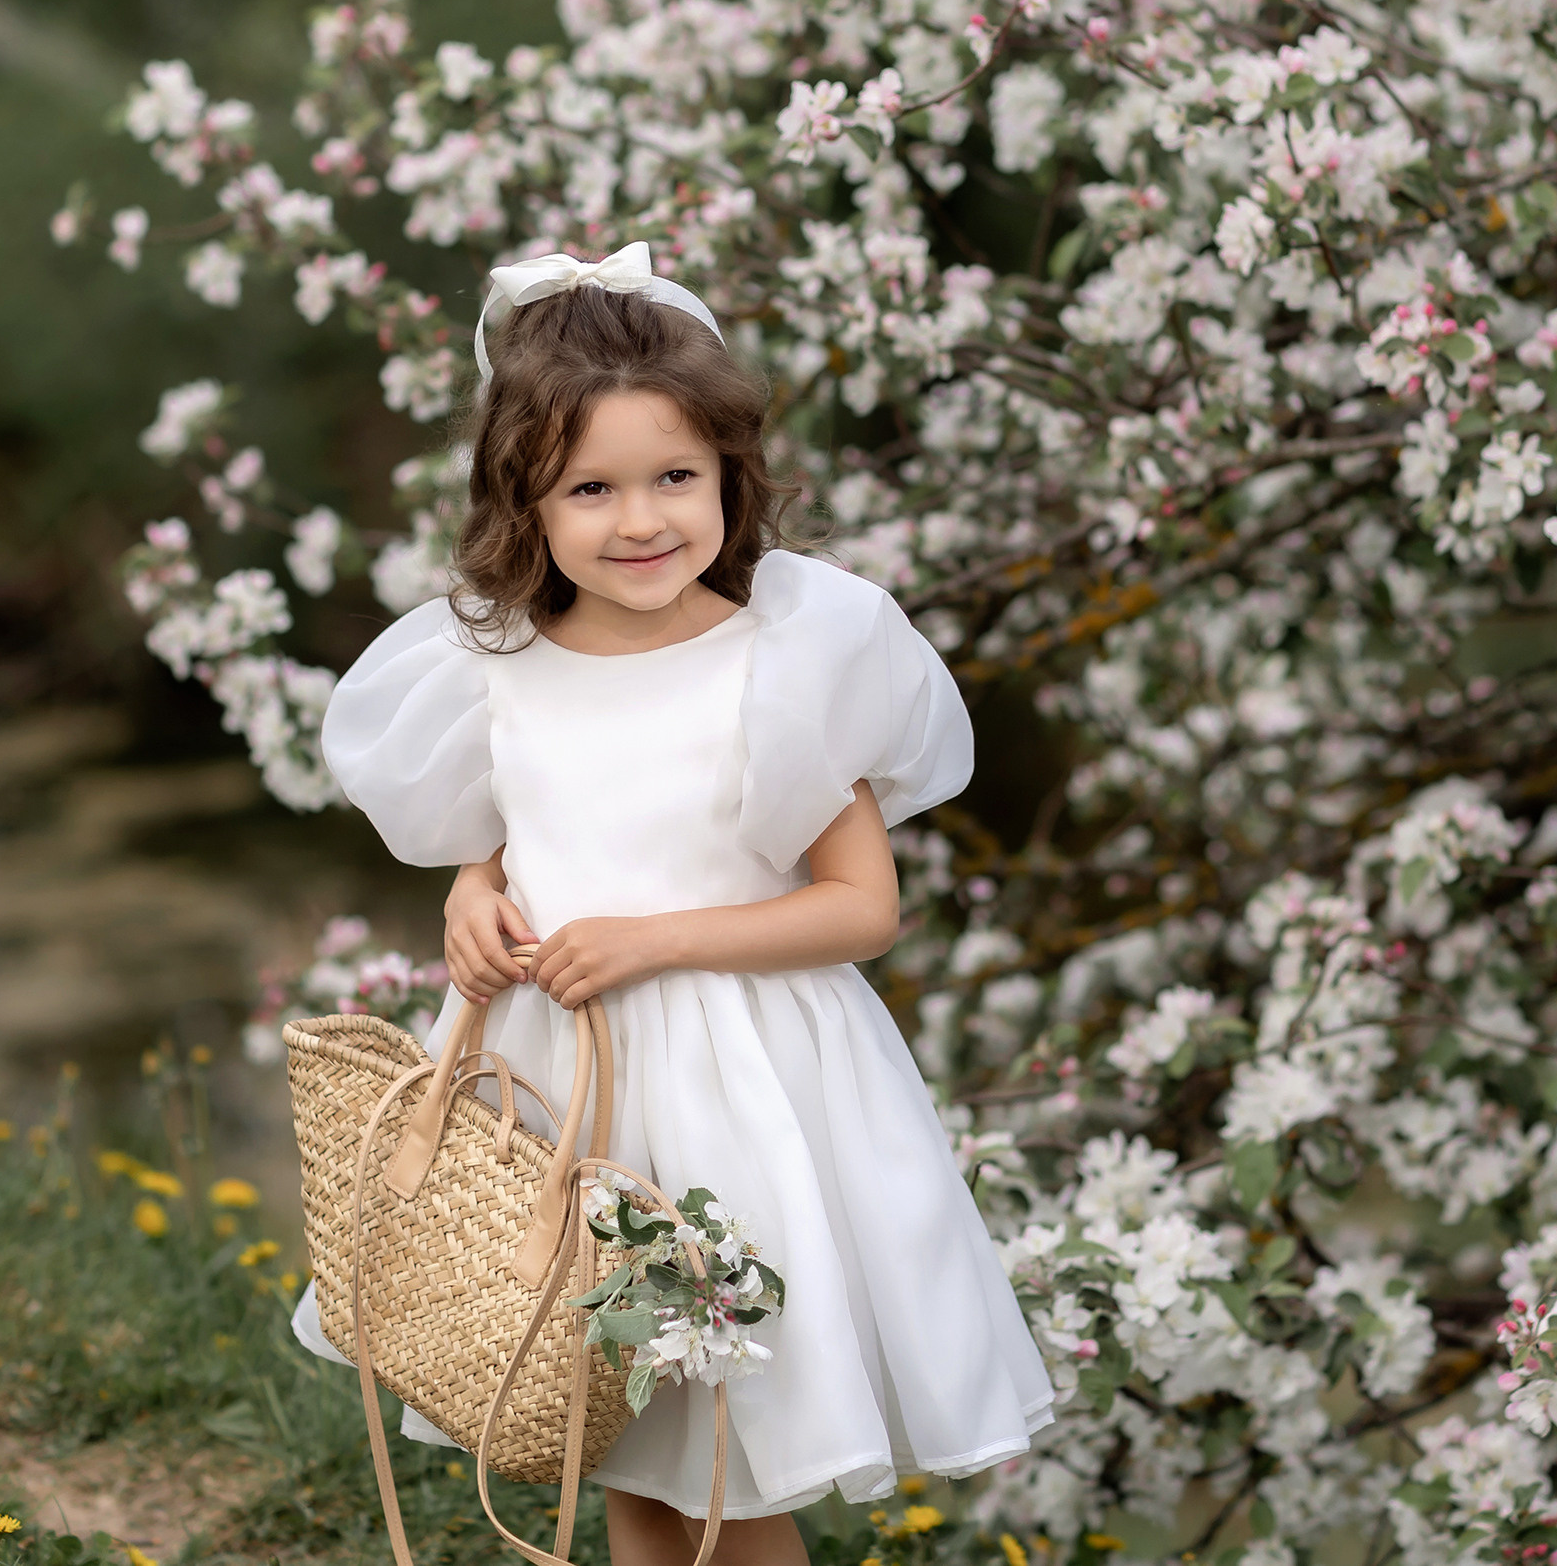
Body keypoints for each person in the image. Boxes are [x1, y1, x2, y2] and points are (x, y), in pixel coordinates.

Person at [288, 244, 1054, 1566]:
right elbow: (505, 837)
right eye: (591, 488)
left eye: (675, 479)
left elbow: (859, 905)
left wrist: (657, 939)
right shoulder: (502, 669)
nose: (641, 519)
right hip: (575, 1095)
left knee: (732, 1466)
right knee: (636, 1454)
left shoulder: (785, 660)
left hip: (745, 1092)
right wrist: (475, 901)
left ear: (728, 477)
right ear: (523, 502)